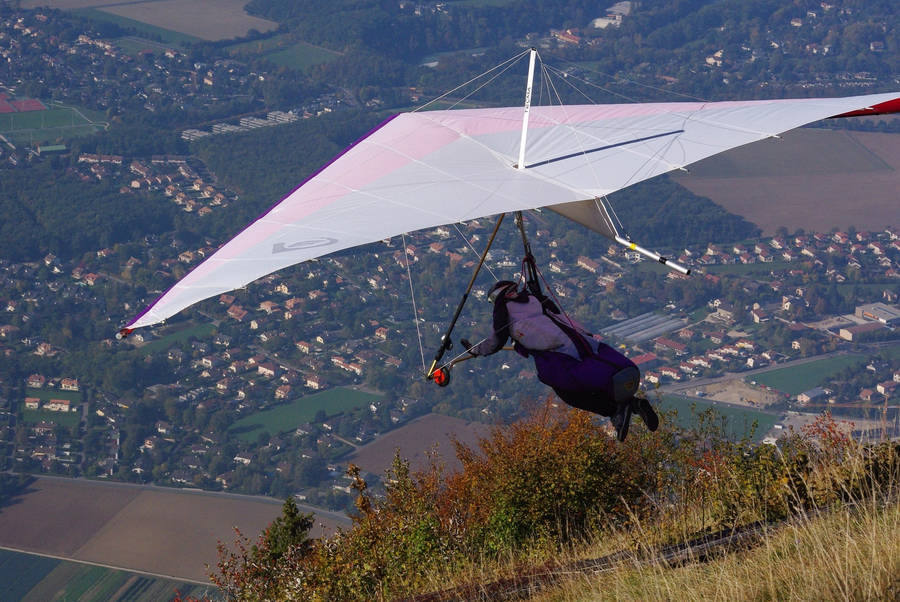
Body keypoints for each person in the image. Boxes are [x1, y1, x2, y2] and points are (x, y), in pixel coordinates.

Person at [461, 280, 658, 441]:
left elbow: (496, 341)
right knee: (594, 376)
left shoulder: (503, 310)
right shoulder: (532, 298)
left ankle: (615, 411)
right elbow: (553, 312)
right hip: (582, 341)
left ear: (496, 298)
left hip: (559, 353)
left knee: (569, 391)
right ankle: (632, 405)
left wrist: (476, 350)